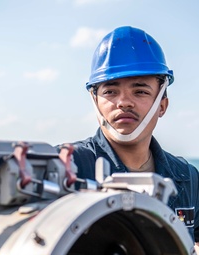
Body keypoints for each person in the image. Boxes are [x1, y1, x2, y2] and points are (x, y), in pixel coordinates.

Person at [66, 26, 199, 250]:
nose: (124, 102)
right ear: (95, 99)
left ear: (162, 105)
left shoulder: (187, 178)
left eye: (140, 91)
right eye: (110, 91)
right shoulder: (67, 167)